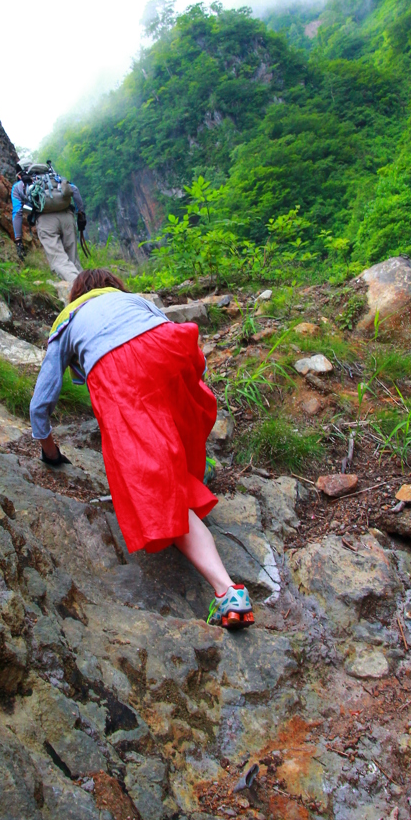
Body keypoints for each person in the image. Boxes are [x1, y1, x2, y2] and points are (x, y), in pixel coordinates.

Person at [29, 267, 255, 630]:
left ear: (77, 293)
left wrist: (49, 452)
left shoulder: (68, 317)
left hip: (121, 374)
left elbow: (41, 403)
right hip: (169, 347)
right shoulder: (133, 300)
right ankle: (195, 469)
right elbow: (189, 358)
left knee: (157, 488)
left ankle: (228, 592)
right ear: (112, 287)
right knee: (174, 422)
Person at [11, 163, 87, 283]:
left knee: (58, 260)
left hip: (45, 220)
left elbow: (17, 213)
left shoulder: (19, 186)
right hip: (67, 217)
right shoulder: (54, 177)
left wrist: (18, 238)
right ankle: (88, 287)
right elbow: (75, 190)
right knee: (73, 260)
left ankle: (80, 288)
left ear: (20, 174)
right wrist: (81, 215)